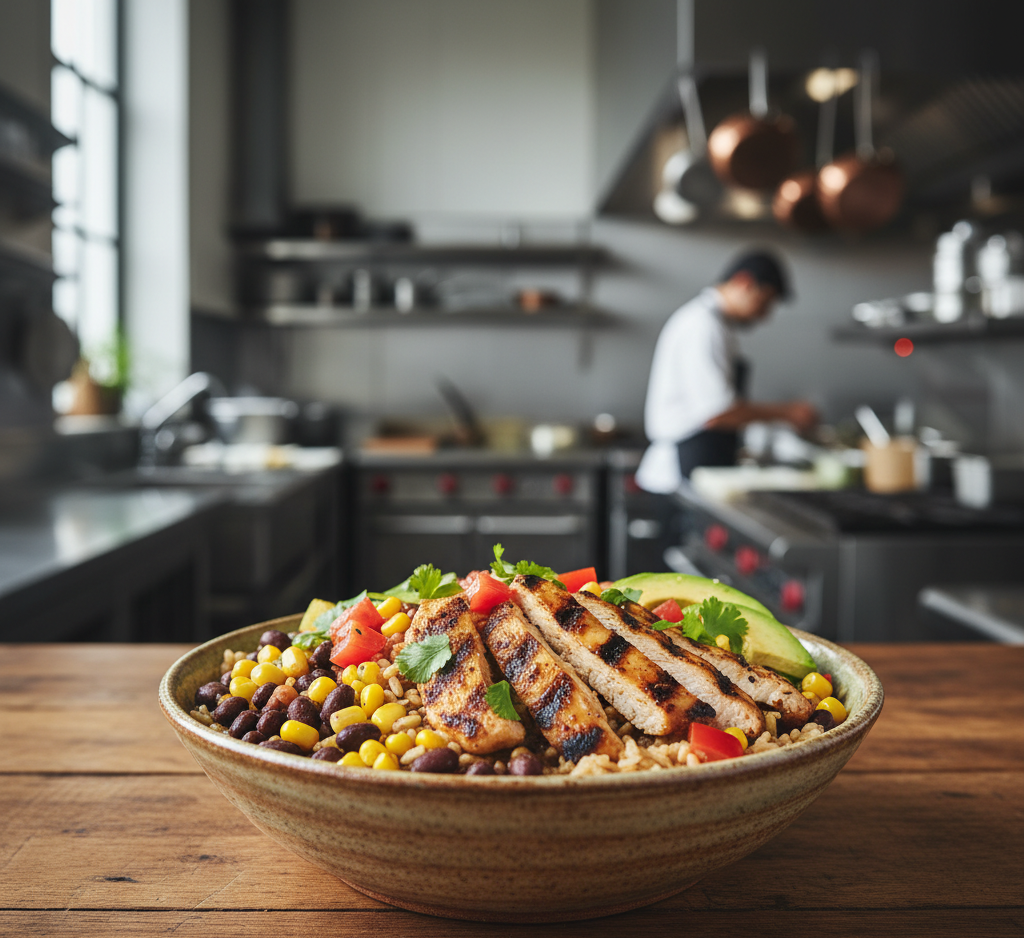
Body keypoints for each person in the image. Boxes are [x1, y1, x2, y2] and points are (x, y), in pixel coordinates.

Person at [636, 249, 818, 494]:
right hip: (682, 472)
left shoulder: (716, 325)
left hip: (698, 463)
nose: (765, 316)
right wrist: (788, 413)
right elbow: (717, 412)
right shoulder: (704, 326)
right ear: (743, 283)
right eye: (764, 302)